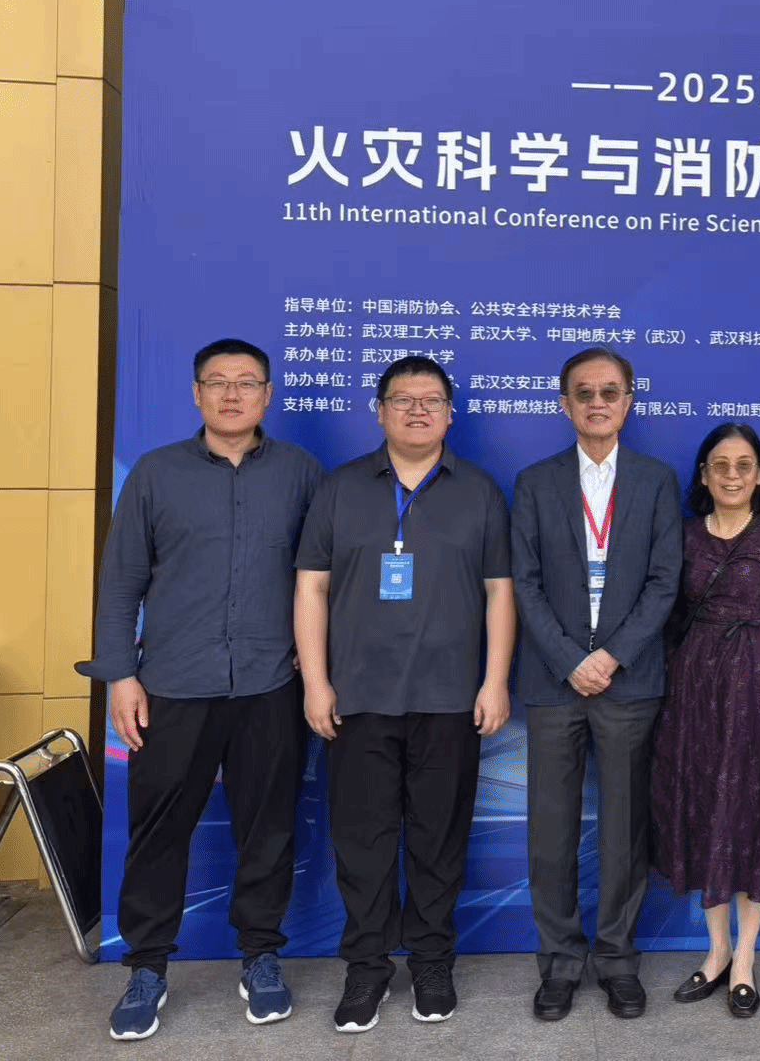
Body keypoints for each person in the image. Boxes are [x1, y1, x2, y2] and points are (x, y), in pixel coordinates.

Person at [79, 338, 322, 1042]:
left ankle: (261, 956)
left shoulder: (301, 474)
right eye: (218, 382)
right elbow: (121, 583)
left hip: (271, 684)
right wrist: (120, 675)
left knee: (268, 829)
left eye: (247, 382)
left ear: (267, 395)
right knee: (159, 831)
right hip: (172, 685)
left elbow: (323, 580)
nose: (232, 394)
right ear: (196, 394)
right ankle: (147, 967)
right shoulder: (156, 474)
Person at [292, 355, 516, 1034]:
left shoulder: (479, 491)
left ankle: (431, 962)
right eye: (403, 399)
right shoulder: (340, 488)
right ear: (380, 410)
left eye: (431, 400)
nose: (418, 411)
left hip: (450, 698)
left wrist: (495, 680)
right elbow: (311, 587)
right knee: (361, 843)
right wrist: (316, 683)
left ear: (450, 413)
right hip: (357, 697)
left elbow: (499, 593)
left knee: (438, 842)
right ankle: (366, 967)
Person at [511, 348, 682, 1022]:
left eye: (610, 392)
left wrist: (611, 656)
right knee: (550, 831)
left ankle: (616, 960)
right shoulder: (535, 482)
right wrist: (568, 658)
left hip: (629, 680)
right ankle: (558, 961)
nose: (597, 402)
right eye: (584, 392)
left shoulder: (656, 481)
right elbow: (524, 582)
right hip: (554, 681)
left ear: (628, 402)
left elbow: (664, 582)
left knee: (624, 830)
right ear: (565, 404)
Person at [652, 424, 760, 1019]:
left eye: (744, 465)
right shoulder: (686, 536)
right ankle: (716, 951)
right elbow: (669, 617)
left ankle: (745, 958)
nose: (732, 475)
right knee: (703, 814)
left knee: (752, 815)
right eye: (720, 465)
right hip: (694, 693)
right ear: (703, 474)